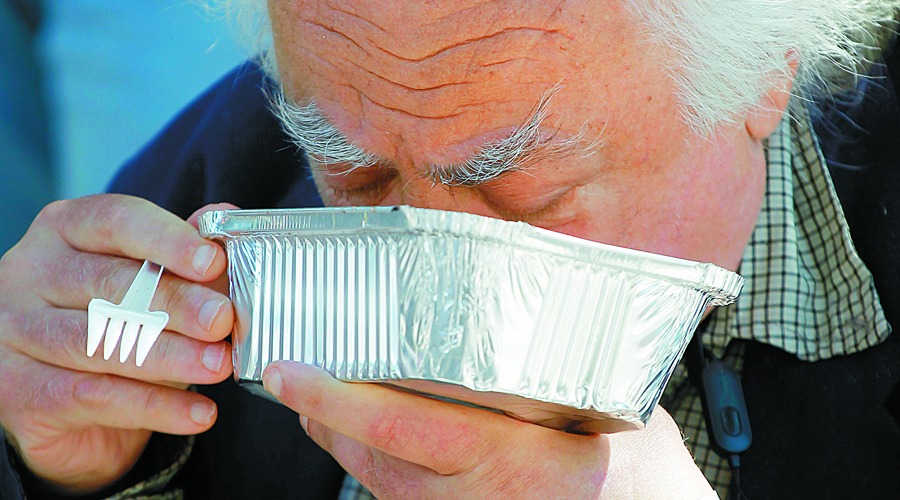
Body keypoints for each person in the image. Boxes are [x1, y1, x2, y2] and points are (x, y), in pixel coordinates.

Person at [1, 1, 899, 499]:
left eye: (526, 195)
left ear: (766, 70)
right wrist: (72, 474)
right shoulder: (216, 182)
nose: (432, 295)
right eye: (360, 179)